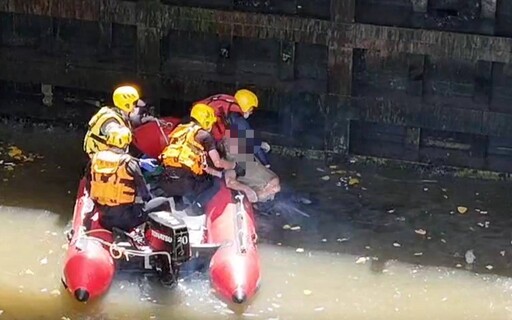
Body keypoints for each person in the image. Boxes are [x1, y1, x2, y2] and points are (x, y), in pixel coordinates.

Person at [158, 103, 257, 215]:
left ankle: (179, 204)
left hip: (165, 179)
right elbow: (218, 162)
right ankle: (197, 206)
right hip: (184, 183)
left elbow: (199, 164)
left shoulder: (179, 130)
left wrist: (215, 172)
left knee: (187, 177)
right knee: (215, 184)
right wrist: (235, 166)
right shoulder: (204, 136)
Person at [197, 89, 280, 201]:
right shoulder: (238, 120)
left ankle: (233, 181)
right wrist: (266, 164)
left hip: (216, 150)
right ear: (245, 106)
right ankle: (255, 195)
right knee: (275, 184)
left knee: (234, 164)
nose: (251, 112)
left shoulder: (222, 113)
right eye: (251, 108)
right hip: (231, 147)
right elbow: (253, 146)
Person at [88, 126, 170, 232]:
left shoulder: (95, 159)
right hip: (125, 220)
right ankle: (149, 236)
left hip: (103, 218)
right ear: (126, 144)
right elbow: (145, 194)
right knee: (163, 202)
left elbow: (90, 183)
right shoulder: (129, 163)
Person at [83, 85, 156, 158]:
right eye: (134, 104)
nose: (135, 107)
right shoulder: (110, 120)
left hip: (109, 155)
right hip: (100, 160)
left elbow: (127, 121)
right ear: (127, 105)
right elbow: (115, 132)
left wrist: (144, 120)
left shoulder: (119, 113)